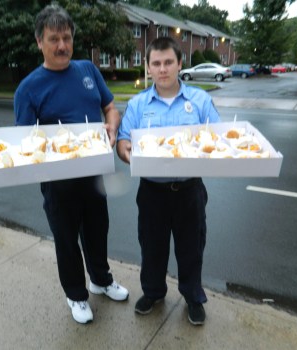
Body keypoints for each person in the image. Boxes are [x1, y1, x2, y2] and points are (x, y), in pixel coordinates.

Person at [14, 5, 128, 324]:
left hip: (95, 172)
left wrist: (112, 126)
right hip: (58, 179)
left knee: (97, 231)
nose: (62, 45)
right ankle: (76, 295)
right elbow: (26, 140)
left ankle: (100, 280)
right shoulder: (28, 88)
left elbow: (110, 107)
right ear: (40, 42)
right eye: (54, 39)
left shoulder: (88, 71)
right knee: (66, 238)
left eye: (66, 37)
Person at [116, 36, 220, 326]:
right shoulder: (137, 105)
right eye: (156, 63)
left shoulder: (200, 100)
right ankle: (153, 292)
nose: (162, 69)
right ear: (148, 68)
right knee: (152, 246)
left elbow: (217, 136)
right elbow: (124, 142)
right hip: (152, 191)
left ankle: (193, 297)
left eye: (168, 62)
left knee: (191, 247)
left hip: (190, 190)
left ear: (179, 64)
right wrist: (127, 153)